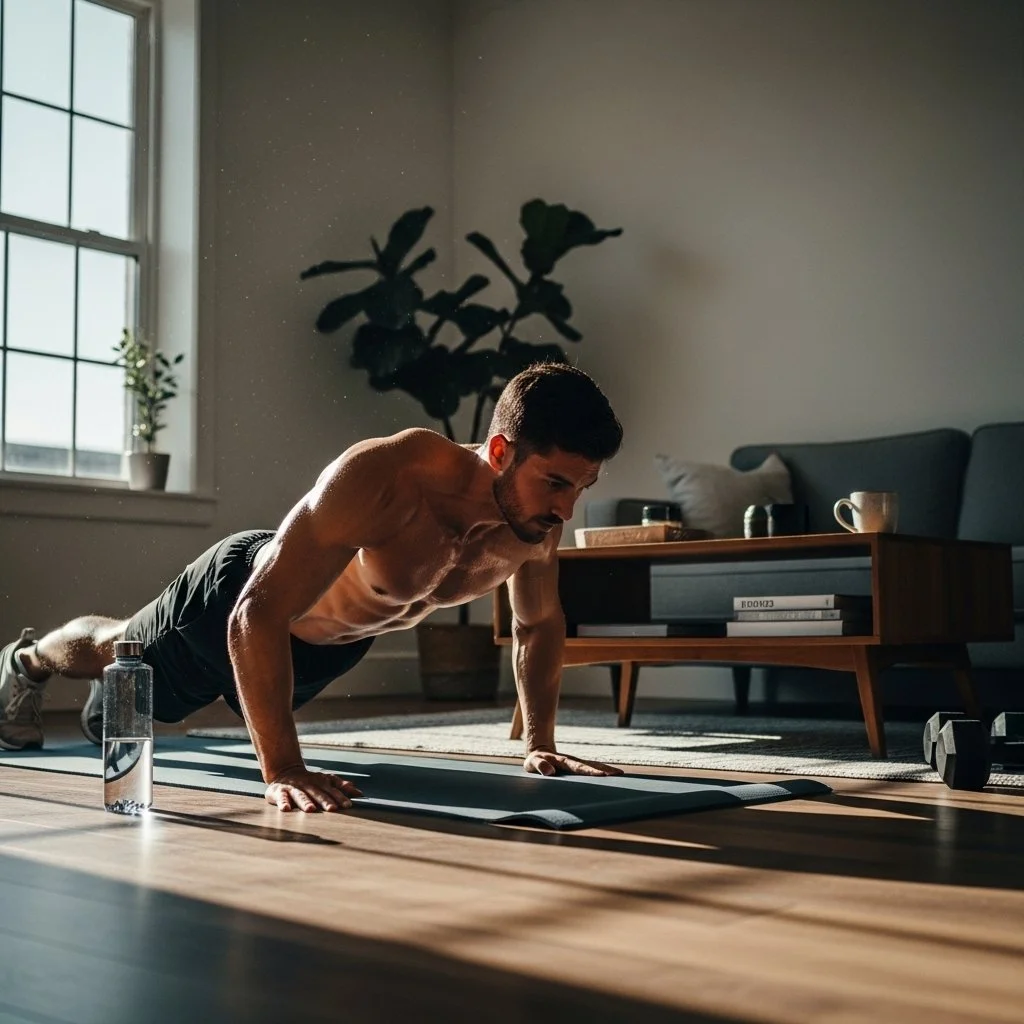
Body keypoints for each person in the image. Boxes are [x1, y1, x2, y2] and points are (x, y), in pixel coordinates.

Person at [0, 362, 624, 812]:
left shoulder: (533, 524)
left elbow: (538, 624)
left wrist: (541, 745)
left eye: (580, 488)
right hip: (239, 599)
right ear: (499, 450)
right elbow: (254, 614)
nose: (566, 511)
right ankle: (26, 662)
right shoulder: (390, 474)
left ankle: (107, 706)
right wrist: (283, 769)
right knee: (117, 653)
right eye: (555, 483)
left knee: (125, 711)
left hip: (323, 648)